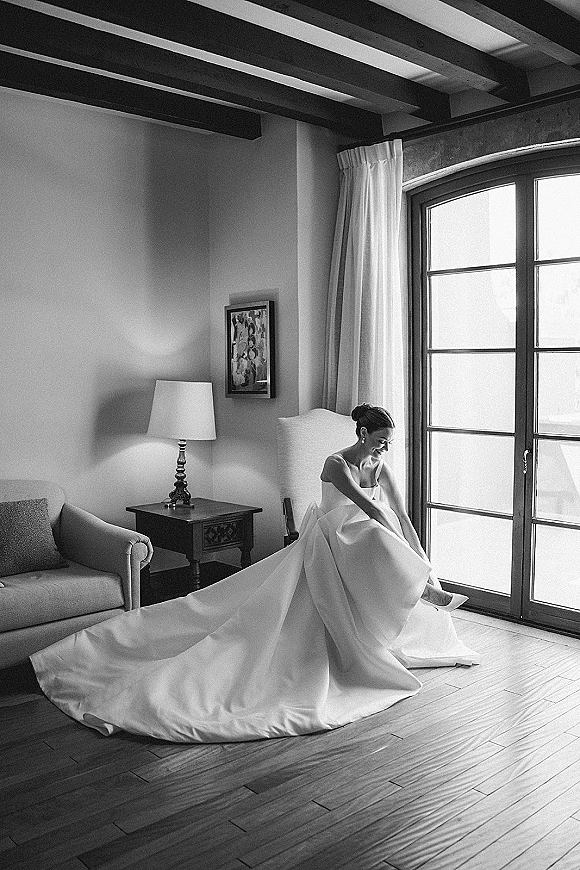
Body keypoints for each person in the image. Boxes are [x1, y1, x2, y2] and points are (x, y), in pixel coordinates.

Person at [31, 404, 478, 744]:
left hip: (365, 541)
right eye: (379, 439)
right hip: (334, 537)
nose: (384, 447)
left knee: (386, 541)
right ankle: (419, 590)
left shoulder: (380, 466)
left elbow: (399, 514)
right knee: (376, 537)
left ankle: (423, 586)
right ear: (361, 433)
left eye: (388, 441)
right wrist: (404, 550)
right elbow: (369, 511)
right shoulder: (334, 465)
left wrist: (423, 558)